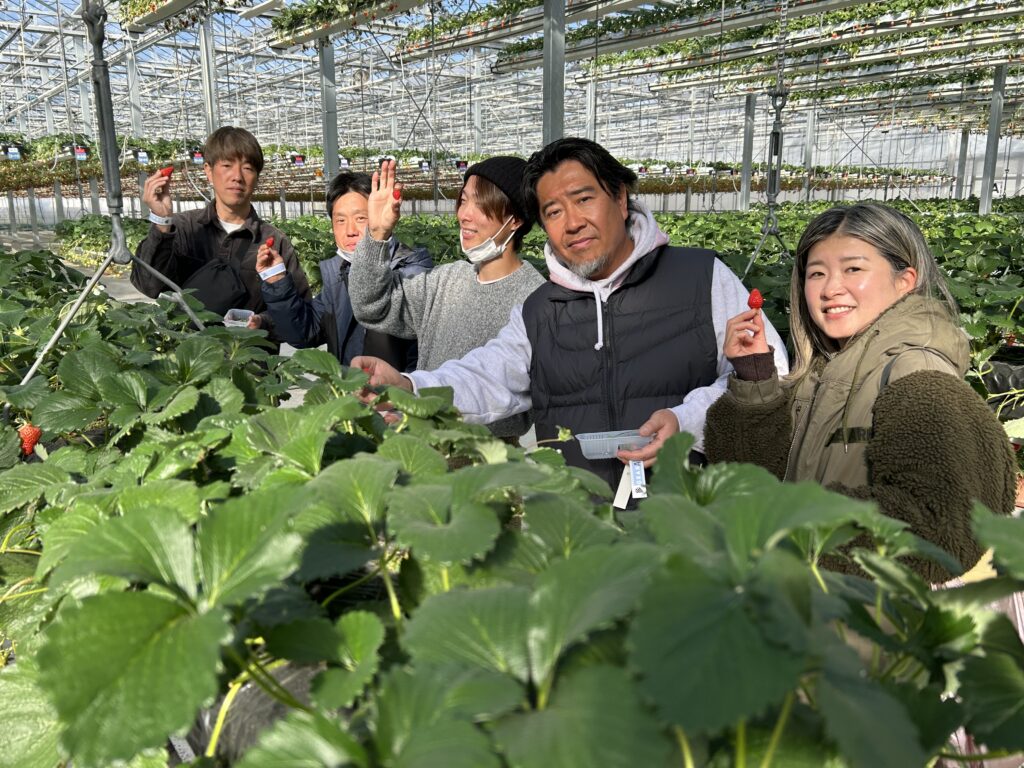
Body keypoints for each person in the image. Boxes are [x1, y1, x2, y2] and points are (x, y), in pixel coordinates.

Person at [353, 137, 789, 490]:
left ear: (620, 198)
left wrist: (686, 421)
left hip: (684, 517)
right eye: (554, 211)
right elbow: (487, 376)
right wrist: (409, 386)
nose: (572, 222)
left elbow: (772, 374)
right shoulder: (539, 310)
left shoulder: (700, 277)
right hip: (577, 520)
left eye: (583, 199)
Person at [703, 202, 1016, 582]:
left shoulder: (916, 374)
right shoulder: (821, 374)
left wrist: (785, 528)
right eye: (817, 273)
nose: (831, 289)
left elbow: (942, 526)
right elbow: (756, 479)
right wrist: (755, 377)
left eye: (853, 269)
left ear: (906, 280)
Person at [347, 156, 546, 438]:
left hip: (490, 457)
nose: (465, 214)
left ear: (515, 219)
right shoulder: (446, 280)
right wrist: (377, 234)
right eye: (463, 201)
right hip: (425, 446)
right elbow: (370, 305)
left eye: (481, 204)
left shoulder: (535, 299)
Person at [130, 126, 310, 335]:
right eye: (227, 165)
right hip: (189, 352)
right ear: (208, 170)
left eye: (248, 168)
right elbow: (149, 286)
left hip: (247, 352)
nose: (237, 176)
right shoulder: (182, 228)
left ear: (257, 177)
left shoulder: (274, 241)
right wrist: (161, 221)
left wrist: (263, 322)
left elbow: (301, 310)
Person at [250, 171, 433, 370]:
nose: (350, 231)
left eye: (361, 218)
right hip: (348, 387)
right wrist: (277, 280)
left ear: (381, 215)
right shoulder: (340, 273)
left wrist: (405, 386)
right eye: (340, 220)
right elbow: (305, 332)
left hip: (397, 389)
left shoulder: (412, 274)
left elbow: (423, 359)